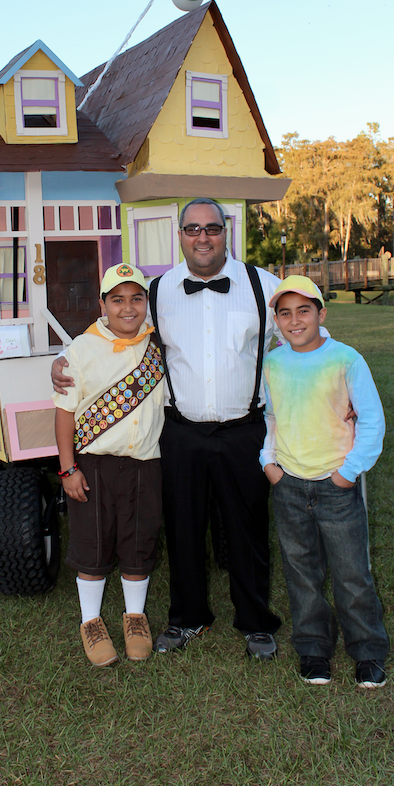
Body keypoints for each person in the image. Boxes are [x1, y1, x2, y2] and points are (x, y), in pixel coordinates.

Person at [53, 199, 282, 660]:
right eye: (193, 228)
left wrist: (338, 384)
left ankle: (256, 622)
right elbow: (112, 330)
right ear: (180, 235)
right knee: (182, 528)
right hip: (181, 432)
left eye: (212, 228)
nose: (203, 237)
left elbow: (307, 330)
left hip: (244, 430)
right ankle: (188, 617)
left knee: (247, 528)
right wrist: (59, 362)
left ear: (226, 232)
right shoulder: (156, 291)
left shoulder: (264, 287)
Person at [260, 276, 389, 687]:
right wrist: (269, 463)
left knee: (352, 573)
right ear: (276, 320)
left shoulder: (345, 359)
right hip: (290, 484)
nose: (294, 320)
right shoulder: (274, 362)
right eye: (285, 313)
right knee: (301, 573)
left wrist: (347, 473)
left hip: (336, 487)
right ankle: (314, 649)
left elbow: (371, 419)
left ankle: (368, 651)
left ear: (321, 314)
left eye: (303, 310)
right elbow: (272, 417)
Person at [53, 263, 166, 667]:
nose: (128, 308)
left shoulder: (158, 347)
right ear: (103, 305)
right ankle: (91, 621)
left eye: (137, 298)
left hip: (145, 463)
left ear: (146, 303)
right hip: (94, 465)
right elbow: (65, 414)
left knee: (139, 540)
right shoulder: (80, 350)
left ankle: (135, 617)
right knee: (93, 542)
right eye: (117, 300)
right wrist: (68, 469)